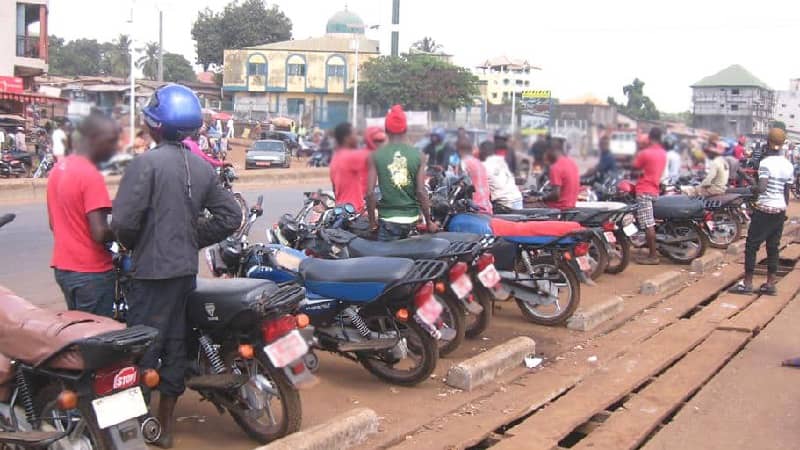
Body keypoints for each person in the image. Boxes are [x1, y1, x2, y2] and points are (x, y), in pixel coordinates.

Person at [111, 84, 241, 448]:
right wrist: (190, 238)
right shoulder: (201, 166)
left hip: (151, 274)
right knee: (175, 346)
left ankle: (138, 429)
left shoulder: (144, 164)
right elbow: (230, 215)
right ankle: (165, 427)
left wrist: (139, 244)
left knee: (142, 349)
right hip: (184, 272)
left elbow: (122, 223)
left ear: (156, 126)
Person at [47, 113, 120, 318]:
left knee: (79, 332)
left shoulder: (58, 169)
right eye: (110, 142)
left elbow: (54, 223)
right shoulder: (91, 175)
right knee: (95, 340)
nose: (113, 149)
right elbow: (99, 233)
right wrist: (123, 231)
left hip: (64, 269)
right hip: (91, 272)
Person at [729, 128, 794, 297]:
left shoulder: (766, 163)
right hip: (779, 210)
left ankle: (748, 283)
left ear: (767, 143)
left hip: (764, 209)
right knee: (773, 247)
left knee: (752, 246)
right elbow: (786, 190)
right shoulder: (788, 164)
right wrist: (783, 208)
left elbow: (762, 187)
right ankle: (770, 284)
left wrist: (750, 184)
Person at [366, 105, 438, 241]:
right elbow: (421, 192)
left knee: (385, 261)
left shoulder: (375, 156)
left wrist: (372, 223)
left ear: (386, 129)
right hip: (411, 220)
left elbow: (369, 193)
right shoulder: (419, 156)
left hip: (388, 221)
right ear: (405, 129)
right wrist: (429, 222)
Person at [632, 128, 667, 265]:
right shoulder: (663, 153)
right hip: (655, 189)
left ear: (649, 138)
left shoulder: (645, 153)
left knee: (648, 224)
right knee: (649, 222)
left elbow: (634, 167)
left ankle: (653, 256)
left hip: (644, 190)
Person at [330, 122, 370, 212]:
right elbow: (377, 157)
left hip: (341, 209)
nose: (357, 137)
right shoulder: (351, 156)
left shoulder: (336, 157)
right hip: (353, 211)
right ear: (346, 138)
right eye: (355, 134)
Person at [529, 138, 579, 210]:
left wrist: (539, 198)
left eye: (546, 152)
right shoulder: (572, 163)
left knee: (526, 205)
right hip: (570, 207)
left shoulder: (556, 167)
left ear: (550, 150)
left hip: (558, 208)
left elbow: (555, 195)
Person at [480, 140, 523, 210]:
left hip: (505, 204)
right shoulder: (500, 160)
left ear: (482, 152)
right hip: (517, 200)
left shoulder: (483, 166)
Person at [457, 137, 492, 214]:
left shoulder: (464, 163)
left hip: (475, 208)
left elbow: (458, 184)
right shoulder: (479, 163)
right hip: (487, 206)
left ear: (459, 150)